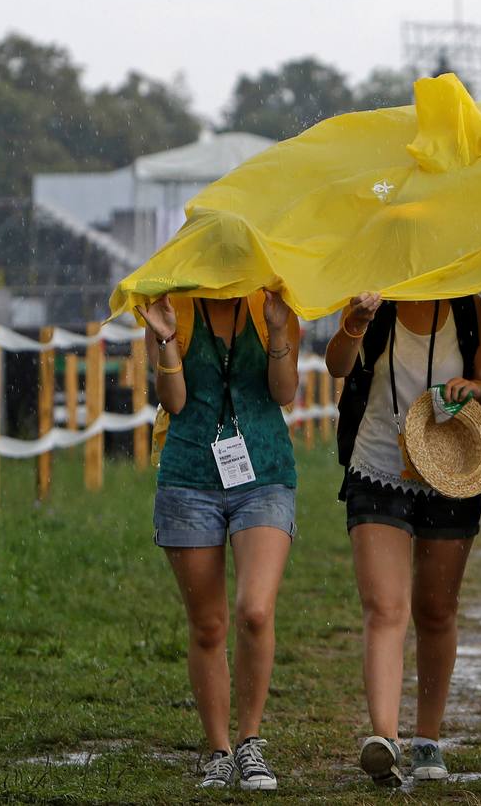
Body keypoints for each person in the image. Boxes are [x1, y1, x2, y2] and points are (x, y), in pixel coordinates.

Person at [325, 292, 481, 787]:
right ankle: (384, 739)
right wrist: (355, 324)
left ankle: (427, 739)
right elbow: (337, 365)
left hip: (450, 468)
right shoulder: (371, 299)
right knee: (385, 608)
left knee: (437, 610)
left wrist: (475, 388)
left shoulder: (467, 306)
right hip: (378, 467)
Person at [138, 289, 299, 791]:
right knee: (207, 626)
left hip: (264, 472)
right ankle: (219, 751)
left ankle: (250, 742)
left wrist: (278, 329)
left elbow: (284, 392)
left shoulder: (272, 302)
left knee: (255, 610)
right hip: (189, 478)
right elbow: (174, 401)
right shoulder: (172, 307)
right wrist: (167, 339)